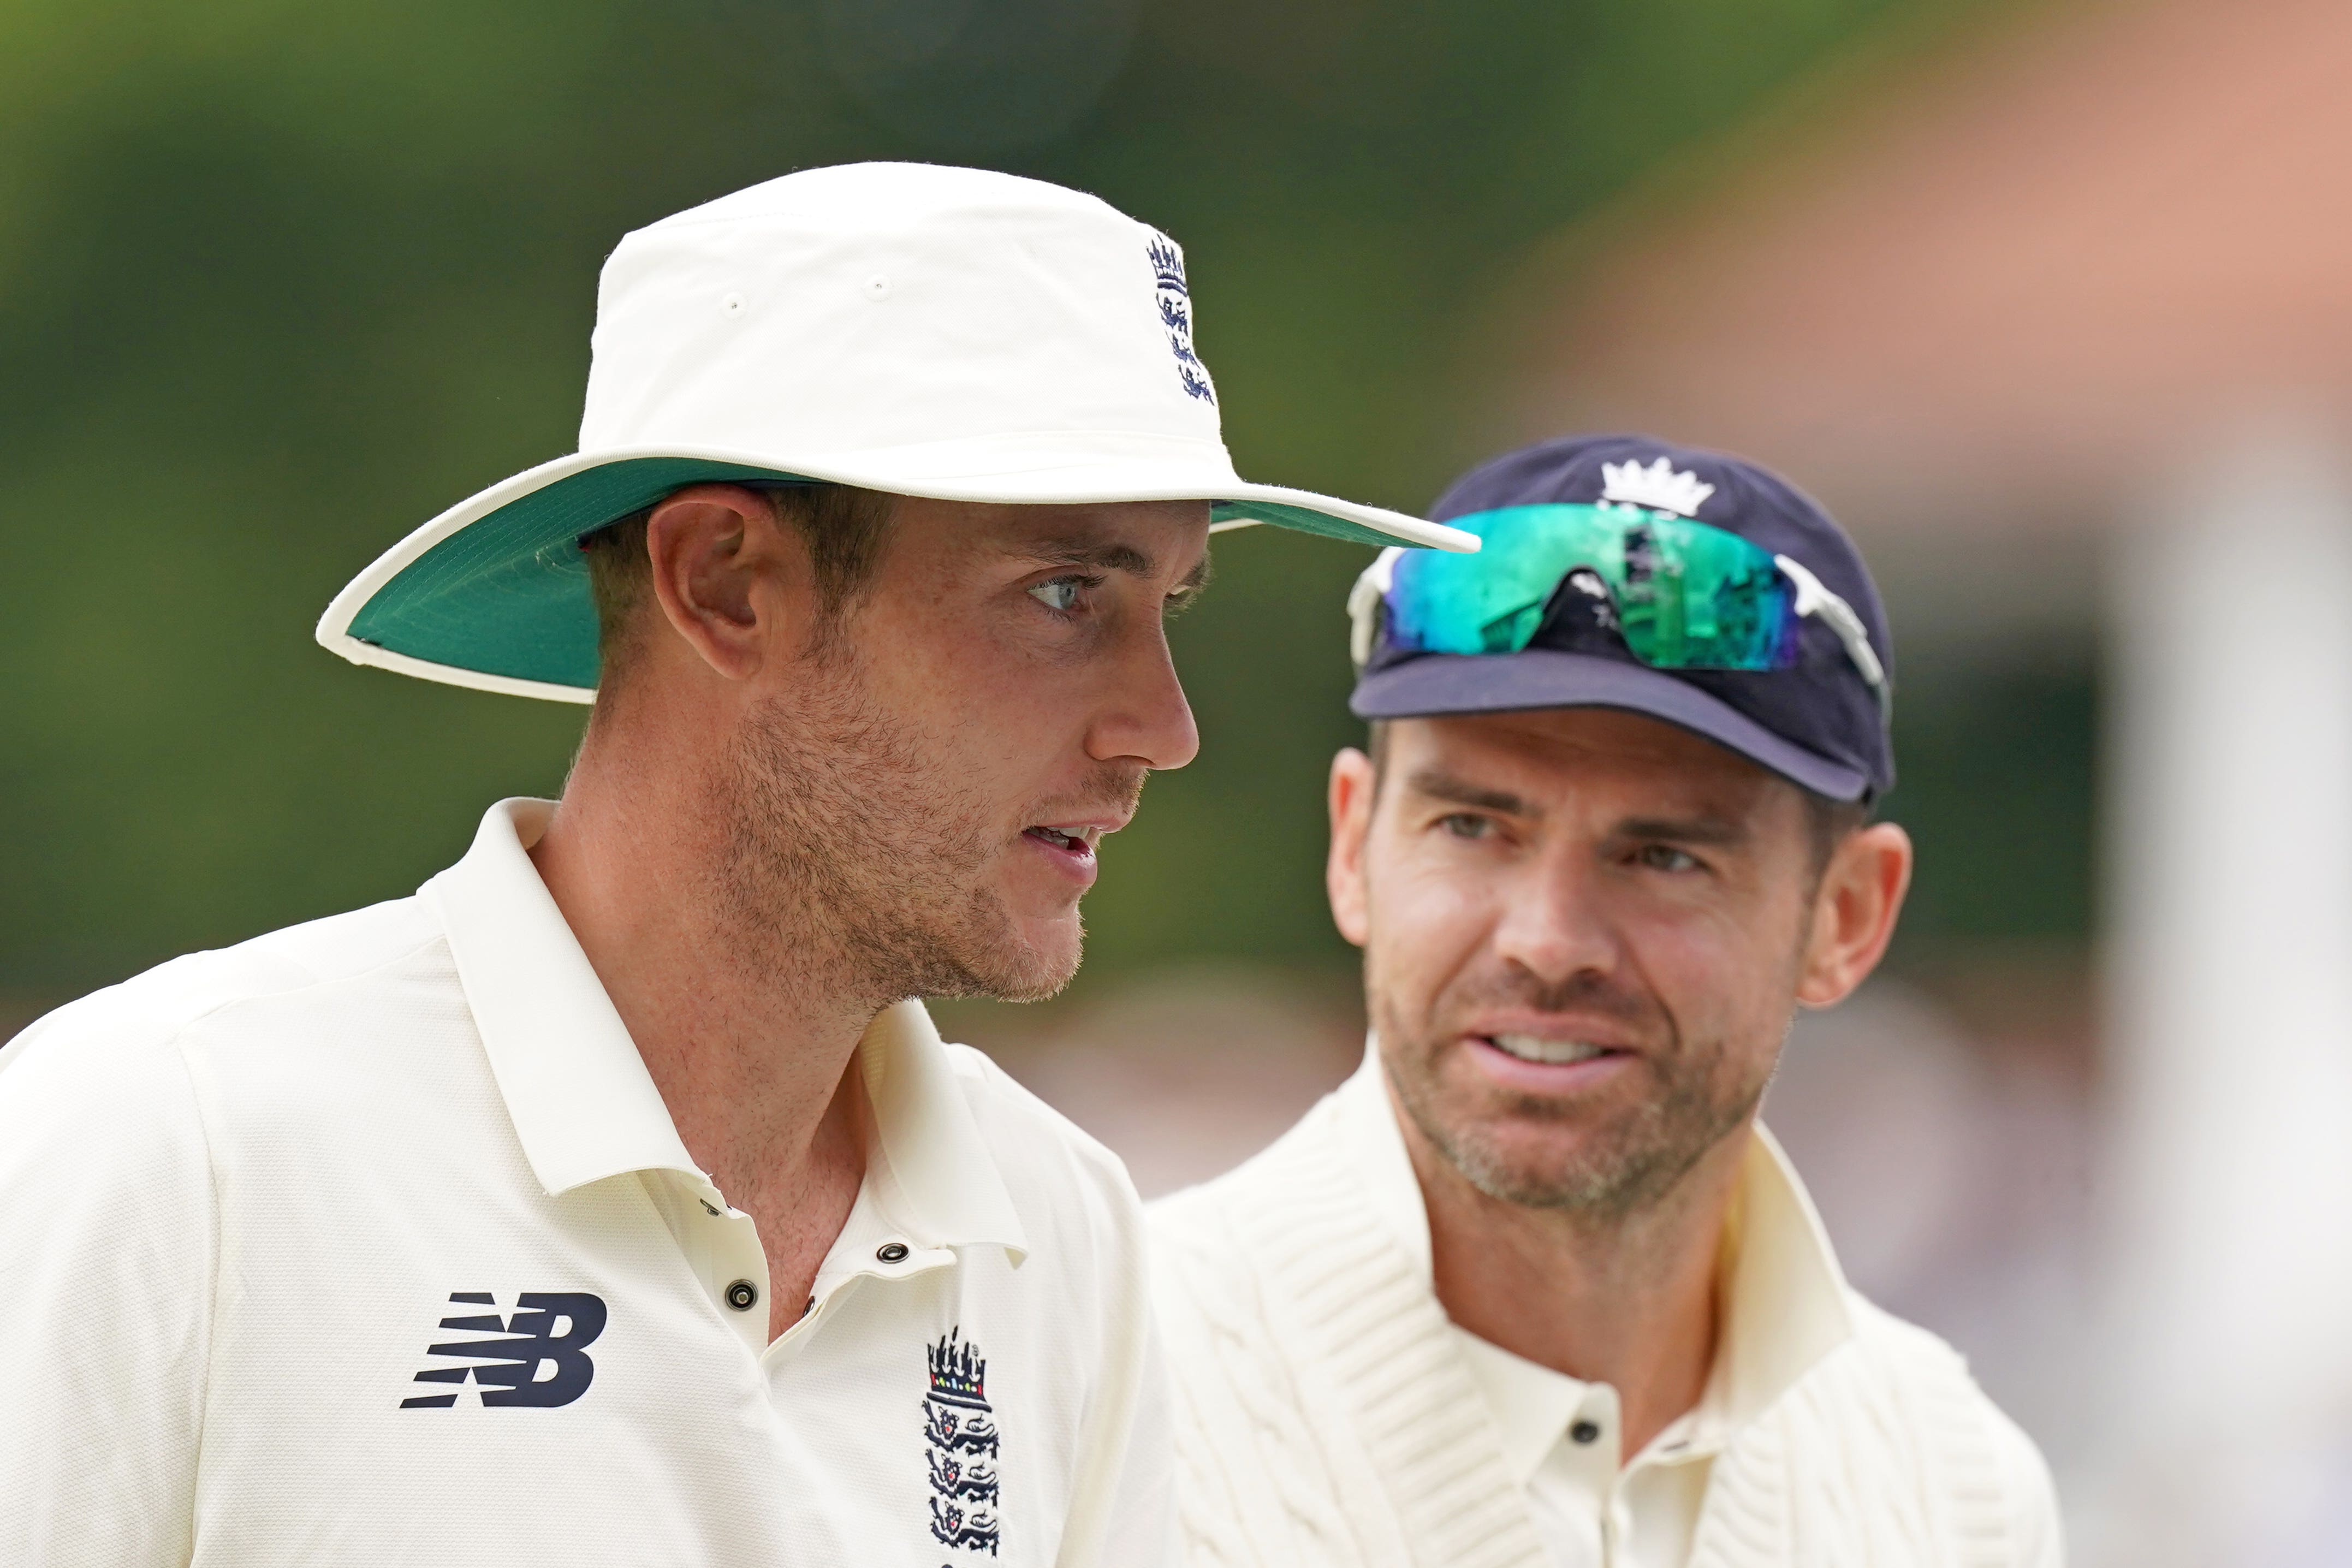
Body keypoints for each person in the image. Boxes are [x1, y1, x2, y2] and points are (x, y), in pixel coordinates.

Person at [0, 162, 1469, 1564]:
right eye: (1064, 592)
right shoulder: (167, 1148)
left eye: (1169, 605)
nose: (1165, 727)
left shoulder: (1061, 1229)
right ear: (724, 582)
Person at [1149, 435, 2062, 1567]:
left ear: (1847, 916)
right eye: (1473, 826)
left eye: (1665, 856)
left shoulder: (1956, 1492)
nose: (1548, 941)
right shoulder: (1097, 1382)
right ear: (1354, 846)